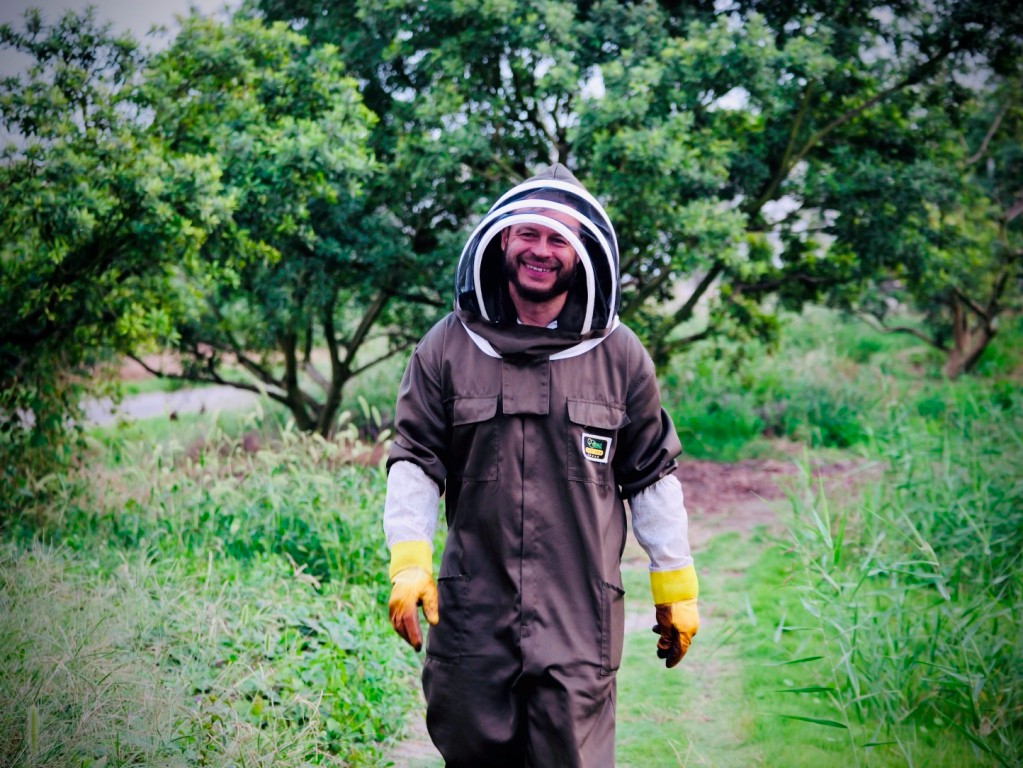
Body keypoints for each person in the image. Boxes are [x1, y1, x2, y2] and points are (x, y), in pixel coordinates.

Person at [383, 163, 699, 767]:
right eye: (529, 233)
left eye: (559, 238)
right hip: (472, 614)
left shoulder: (619, 354)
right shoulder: (447, 346)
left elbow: (652, 476)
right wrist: (408, 561)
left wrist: (675, 588)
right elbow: (415, 461)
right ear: (503, 238)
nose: (541, 250)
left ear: (580, 252)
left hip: (579, 616)